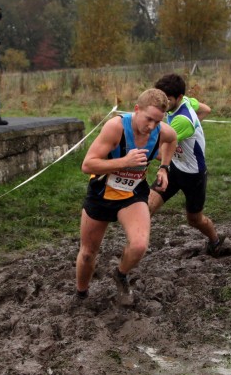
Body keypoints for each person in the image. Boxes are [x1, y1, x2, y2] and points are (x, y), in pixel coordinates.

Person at [75, 88, 177, 305]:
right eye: (148, 119)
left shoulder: (160, 132)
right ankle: (81, 293)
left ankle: (120, 274)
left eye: (157, 122)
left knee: (140, 245)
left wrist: (164, 168)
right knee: (87, 254)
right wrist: (124, 162)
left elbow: (173, 138)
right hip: (102, 194)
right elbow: (88, 164)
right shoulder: (116, 128)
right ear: (136, 109)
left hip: (132, 194)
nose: (151, 126)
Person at [149, 74, 225, 256]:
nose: (163, 103)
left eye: (167, 100)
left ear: (179, 97)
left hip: (193, 176)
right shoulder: (187, 102)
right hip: (174, 169)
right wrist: (196, 125)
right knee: (146, 206)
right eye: (161, 98)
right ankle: (137, 246)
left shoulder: (182, 120)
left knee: (194, 219)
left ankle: (215, 240)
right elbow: (206, 109)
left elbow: (158, 150)